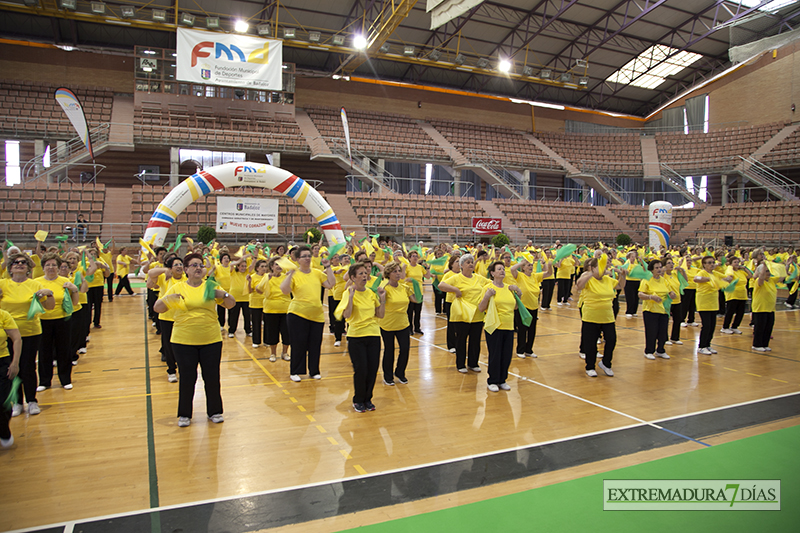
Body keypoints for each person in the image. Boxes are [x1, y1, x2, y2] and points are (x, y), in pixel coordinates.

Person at [154, 253, 235, 427]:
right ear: (186, 270)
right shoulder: (178, 287)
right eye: (194, 265)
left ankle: (215, 411)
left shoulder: (210, 286)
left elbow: (231, 304)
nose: (198, 268)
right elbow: (158, 308)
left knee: (212, 377)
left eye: (200, 265)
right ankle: (184, 414)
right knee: (187, 378)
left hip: (211, 339)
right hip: (183, 341)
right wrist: (167, 298)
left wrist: (224, 294)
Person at [0, 253, 54, 416]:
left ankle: (31, 400)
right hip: (7, 334)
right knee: (11, 369)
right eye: (16, 262)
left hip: (30, 332)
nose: (20, 264)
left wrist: (49, 293)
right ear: (10, 268)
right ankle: (16, 402)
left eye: (23, 262)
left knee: (28, 367)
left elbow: (49, 307)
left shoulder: (35, 285)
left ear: (29, 268)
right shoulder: (3, 284)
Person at [280, 245, 335, 382]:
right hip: (297, 314)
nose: (307, 258)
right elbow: (285, 290)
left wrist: (328, 267)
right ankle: (295, 371)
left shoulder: (316, 273)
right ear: (298, 259)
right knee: (298, 343)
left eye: (309, 256)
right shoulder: (294, 273)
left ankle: (314, 371)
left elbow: (330, 284)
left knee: (315, 344)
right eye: (304, 256)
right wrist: (291, 274)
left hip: (317, 315)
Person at [340, 262, 386, 412]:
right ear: (353, 277)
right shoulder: (348, 292)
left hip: (373, 334)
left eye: (365, 273)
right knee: (361, 369)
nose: (364, 276)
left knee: (373, 369)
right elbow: (346, 315)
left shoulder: (371, 293)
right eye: (360, 274)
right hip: (356, 336)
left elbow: (380, 314)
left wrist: (382, 299)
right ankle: (358, 399)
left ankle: (368, 399)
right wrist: (351, 298)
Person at [438, 254, 491, 373]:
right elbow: (441, 285)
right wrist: (455, 290)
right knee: (461, 340)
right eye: (467, 262)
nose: (471, 264)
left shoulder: (479, 278)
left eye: (471, 262)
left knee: (475, 340)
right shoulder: (456, 278)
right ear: (461, 265)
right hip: (462, 315)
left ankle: (473, 363)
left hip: (477, 314)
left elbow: (491, 284)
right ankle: (460, 364)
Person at [575, 257, 626, 377]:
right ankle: (590, 366)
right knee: (590, 342)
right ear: (593, 268)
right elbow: (579, 286)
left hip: (607, 315)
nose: (604, 270)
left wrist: (622, 276)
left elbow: (619, 286)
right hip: (591, 315)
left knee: (611, 339)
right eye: (600, 267)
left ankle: (606, 363)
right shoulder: (587, 278)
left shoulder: (608, 279)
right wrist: (591, 274)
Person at [36, 253, 79, 390]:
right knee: (44, 351)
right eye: (48, 265)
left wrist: (75, 290)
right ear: (43, 267)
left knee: (64, 350)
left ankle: (65, 379)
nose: (51, 267)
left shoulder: (64, 281)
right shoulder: (36, 282)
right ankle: (44, 381)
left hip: (62, 320)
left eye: (54, 265)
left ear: (59, 267)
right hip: (42, 321)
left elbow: (75, 302)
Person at [478, 261, 520, 392]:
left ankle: (502, 380)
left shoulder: (509, 288)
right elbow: (481, 308)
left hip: (509, 325)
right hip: (494, 326)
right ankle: (493, 380)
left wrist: (518, 293)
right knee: (495, 354)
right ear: (492, 273)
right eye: (499, 269)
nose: (502, 271)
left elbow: (515, 307)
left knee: (506, 355)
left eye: (503, 269)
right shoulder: (488, 288)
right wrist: (487, 296)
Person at [147, 255, 185, 382]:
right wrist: (164, 270)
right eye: (176, 265)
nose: (179, 266)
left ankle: (182, 367)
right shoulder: (164, 277)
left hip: (182, 316)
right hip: (166, 317)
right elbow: (150, 273)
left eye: (181, 264)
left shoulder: (186, 279)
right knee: (168, 345)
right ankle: (171, 370)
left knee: (182, 344)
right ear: (170, 268)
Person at [379, 261, 417, 385]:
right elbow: (378, 304)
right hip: (387, 324)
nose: (398, 273)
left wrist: (415, 284)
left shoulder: (405, 287)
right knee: (389, 350)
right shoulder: (383, 287)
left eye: (399, 271)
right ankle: (388, 376)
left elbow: (417, 300)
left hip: (403, 324)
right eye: (394, 271)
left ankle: (400, 372)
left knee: (405, 349)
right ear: (388, 274)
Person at [509, 253, 551, 358]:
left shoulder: (535, 276)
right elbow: (512, 270)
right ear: (523, 268)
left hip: (534, 306)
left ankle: (529, 350)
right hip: (523, 307)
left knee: (532, 330)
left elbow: (549, 273)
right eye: (528, 265)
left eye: (531, 265)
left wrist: (549, 265)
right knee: (522, 329)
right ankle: (520, 350)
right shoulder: (520, 276)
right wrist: (521, 262)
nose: (531, 267)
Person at [694, 255, 732, 355]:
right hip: (704, 302)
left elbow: (727, 278)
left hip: (713, 302)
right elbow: (696, 278)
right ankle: (701, 346)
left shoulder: (715, 273)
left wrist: (727, 278)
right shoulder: (702, 272)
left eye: (712, 262)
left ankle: (707, 344)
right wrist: (707, 279)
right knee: (706, 325)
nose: (711, 264)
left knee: (712, 325)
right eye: (709, 263)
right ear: (704, 265)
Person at [638, 259, 676, 360]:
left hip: (663, 309)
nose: (659, 270)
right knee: (651, 331)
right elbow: (640, 294)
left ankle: (660, 350)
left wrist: (671, 293)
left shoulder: (664, 280)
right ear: (652, 269)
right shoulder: (647, 280)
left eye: (660, 267)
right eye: (657, 268)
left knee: (663, 331)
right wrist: (651, 297)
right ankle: (649, 350)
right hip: (650, 310)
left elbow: (669, 290)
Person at [260, 257, 290, 362]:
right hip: (270, 310)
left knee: (287, 333)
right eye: (276, 264)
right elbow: (258, 290)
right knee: (272, 333)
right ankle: (273, 354)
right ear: (272, 266)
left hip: (285, 309)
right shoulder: (265, 277)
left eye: (281, 264)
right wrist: (266, 280)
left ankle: (285, 352)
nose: (279, 266)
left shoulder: (286, 277)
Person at [752, 249, 782, 352]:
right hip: (760, 308)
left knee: (768, 327)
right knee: (760, 327)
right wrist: (764, 266)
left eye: (769, 271)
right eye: (766, 272)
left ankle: (765, 344)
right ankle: (757, 344)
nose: (768, 273)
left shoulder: (771, 281)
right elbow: (760, 277)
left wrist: (784, 265)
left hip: (770, 308)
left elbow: (782, 277)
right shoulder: (759, 282)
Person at [0, 307, 22, 447]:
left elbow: (17, 338)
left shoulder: (3, 315)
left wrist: (15, 363)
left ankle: (3, 432)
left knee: (2, 401)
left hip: (2, 361)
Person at [720, 256, 750, 335]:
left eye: (737, 262)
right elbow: (730, 277)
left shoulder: (741, 272)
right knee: (730, 311)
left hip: (742, 294)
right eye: (735, 262)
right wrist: (730, 267)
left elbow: (750, 275)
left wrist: (744, 267)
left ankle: (734, 326)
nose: (737, 264)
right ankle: (725, 327)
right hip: (733, 294)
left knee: (740, 312)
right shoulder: (729, 270)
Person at [403, 250, 431, 335]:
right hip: (410, 292)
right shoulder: (407, 267)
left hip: (419, 292)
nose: (415, 258)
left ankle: (417, 328)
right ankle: (409, 328)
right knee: (410, 312)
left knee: (418, 311)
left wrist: (428, 268)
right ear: (409, 258)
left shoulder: (420, 267)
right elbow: (403, 278)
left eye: (416, 256)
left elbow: (427, 276)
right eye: (413, 256)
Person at [440, 255, 461, 353]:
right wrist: (454, 290)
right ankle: (451, 345)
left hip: (461, 302)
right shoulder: (448, 274)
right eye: (457, 261)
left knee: (460, 324)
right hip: (451, 301)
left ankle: (459, 344)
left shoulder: (462, 274)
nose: (459, 263)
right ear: (452, 264)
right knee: (451, 324)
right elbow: (442, 286)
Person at [227, 255, 251, 338]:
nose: (243, 268)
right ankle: (231, 331)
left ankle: (248, 330)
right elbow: (231, 264)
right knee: (234, 316)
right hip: (235, 297)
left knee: (247, 315)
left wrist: (254, 256)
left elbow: (252, 265)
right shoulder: (233, 272)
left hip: (246, 298)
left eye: (245, 266)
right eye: (242, 266)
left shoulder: (247, 272)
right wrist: (241, 259)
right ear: (238, 266)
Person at [247, 259, 269, 348]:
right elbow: (249, 291)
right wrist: (249, 282)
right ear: (257, 268)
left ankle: (267, 340)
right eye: (262, 266)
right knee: (256, 323)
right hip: (255, 303)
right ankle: (256, 341)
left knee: (267, 323)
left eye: (265, 266)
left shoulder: (268, 276)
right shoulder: (252, 277)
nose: (264, 268)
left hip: (266, 303)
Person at [663, 257, 685, 346]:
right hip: (667, 301)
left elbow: (685, 281)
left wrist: (682, 271)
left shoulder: (675, 274)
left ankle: (675, 338)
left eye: (672, 263)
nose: (671, 264)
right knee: (665, 320)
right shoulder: (663, 275)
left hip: (677, 300)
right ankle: (664, 338)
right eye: (668, 263)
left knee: (677, 320)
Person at [327, 254, 348, 347]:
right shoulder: (337, 268)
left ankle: (349, 337)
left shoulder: (351, 268)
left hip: (349, 294)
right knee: (338, 317)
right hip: (338, 294)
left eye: (348, 258)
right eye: (345, 259)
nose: (347, 260)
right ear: (341, 261)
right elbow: (325, 271)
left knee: (350, 317)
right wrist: (336, 271)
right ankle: (338, 338)